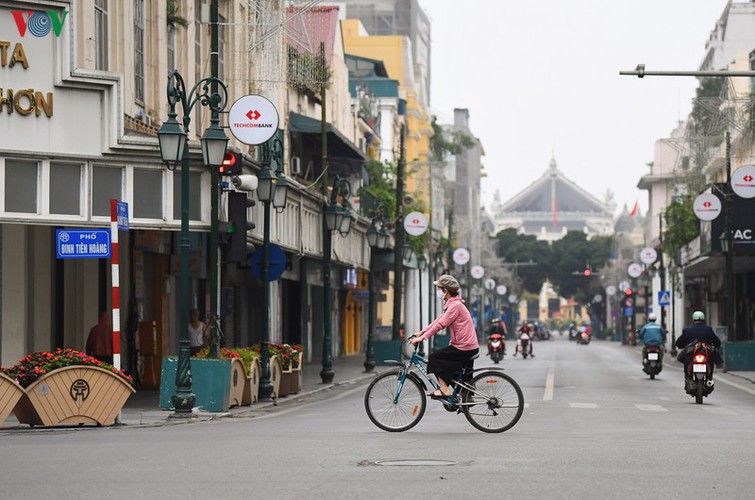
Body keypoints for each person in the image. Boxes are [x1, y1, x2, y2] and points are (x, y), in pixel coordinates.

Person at [409, 274, 479, 399]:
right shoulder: (453, 305)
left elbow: (441, 325)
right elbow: (438, 320)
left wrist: (422, 338)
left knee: (435, 358)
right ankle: (468, 396)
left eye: (439, 288)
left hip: (464, 347)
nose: (438, 291)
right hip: (467, 346)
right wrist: (421, 332)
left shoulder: (455, 306)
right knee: (457, 373)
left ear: (445, 291)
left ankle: (444, 389)